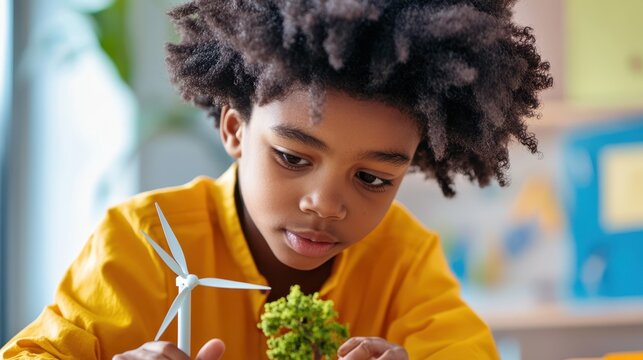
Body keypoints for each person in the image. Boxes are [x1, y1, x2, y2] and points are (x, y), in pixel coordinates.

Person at [1, 0, 551, 359]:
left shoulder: (403, 259)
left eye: (372, 178)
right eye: (292, 157)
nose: (326, 204)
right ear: (235, 129)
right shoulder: (142, 240)